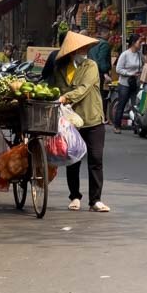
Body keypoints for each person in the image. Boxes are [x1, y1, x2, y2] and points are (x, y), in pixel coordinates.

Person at [48, 32, 109, 212]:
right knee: (73, 159)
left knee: (96, 159)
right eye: (80, 49)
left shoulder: (91, 66)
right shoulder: (60, 69)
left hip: (92, 119)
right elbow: (57, 88)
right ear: (71, 51)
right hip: (71, 121)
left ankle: (95, 200)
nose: (84, 52)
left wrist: (64, 97)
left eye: (85, 49)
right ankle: (74, 196)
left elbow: (83, 89)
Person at [111, 34, 144, 132]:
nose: (140, 44)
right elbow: (118, 69)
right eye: (139, 42)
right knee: (122, 104)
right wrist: (130, 73)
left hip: (135, 83)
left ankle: (136, 125)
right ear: (133, 43)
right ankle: (117, 126)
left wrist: (141, 72)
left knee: (136, 105)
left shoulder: (139, 54)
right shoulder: (125, 54)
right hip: (125, 84)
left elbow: (143, 65)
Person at [89, 34, 113, 123]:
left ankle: (92, 115)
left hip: (90, 71)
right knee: (101, 95)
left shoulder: (93, 43)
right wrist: (105, 73)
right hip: (99, 73)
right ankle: (100, 116)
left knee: (93, 94)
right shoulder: (104, 45)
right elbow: (102, 60)